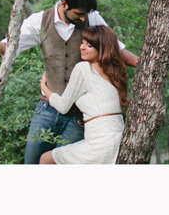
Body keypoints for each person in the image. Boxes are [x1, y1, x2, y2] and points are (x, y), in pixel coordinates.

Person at [0, 0, 138, 164]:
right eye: (78, 14)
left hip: (78, 115)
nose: (82, 19)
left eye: (84, 15)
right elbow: (5, 48)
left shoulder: (91, 18)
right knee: (31, 163)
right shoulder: (39, 21)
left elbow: (115, 49)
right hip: (46, 108)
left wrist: (144, 63)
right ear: (64, 4)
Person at [38, 24, 128, 164]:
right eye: (82, 43)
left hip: (100, 145)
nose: (82, 47)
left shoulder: (83, 69)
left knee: (45, 159)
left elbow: (63, 106)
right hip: (120, 142)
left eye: (89, 45)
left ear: (102, 48)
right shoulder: (114, 74)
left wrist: (44, 87)